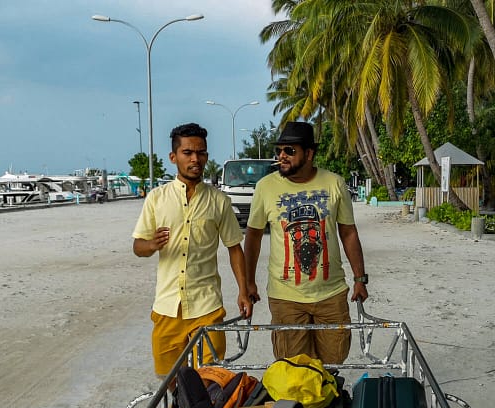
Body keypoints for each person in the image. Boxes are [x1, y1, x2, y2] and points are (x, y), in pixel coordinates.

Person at [133, 123, 253, 380]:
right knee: (169, 382)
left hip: (207, 306)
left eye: (201, 153)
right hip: (167, 308)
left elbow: (234, 248)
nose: (195, 159)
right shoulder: (156, 198)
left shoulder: (219, 201)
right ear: (174, 157)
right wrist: (152, 245)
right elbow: (138, 247)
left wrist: (243, 291)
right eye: (188, 153)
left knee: (212, 380)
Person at [244, 121, 367, 364]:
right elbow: (254, 236)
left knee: (333, 360)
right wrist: (248, 283)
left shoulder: (334, 183)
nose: (282, 156)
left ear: (309, 154)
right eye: (279, 151)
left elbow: (348, 233)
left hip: (331, 293)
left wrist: (359, 279)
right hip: (285, 296)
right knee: (292, 366)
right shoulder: (265, 187)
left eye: (290, 151)